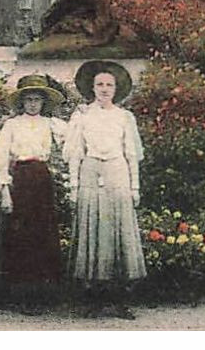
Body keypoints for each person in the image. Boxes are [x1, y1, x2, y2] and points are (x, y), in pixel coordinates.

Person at [65, 60, 146, 317]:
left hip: (117, 172)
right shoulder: (82, 116)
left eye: (109, 85)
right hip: (90, 172)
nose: (104, 89)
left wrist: (135, 187)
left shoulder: (124, 117)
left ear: (116, 88)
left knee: (119, 232)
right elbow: (75, 153)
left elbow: (131, 154)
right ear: (92, 88)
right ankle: (94, 299)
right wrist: (74, 186)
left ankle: (121, 300)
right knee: (93, 233)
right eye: (99, 84)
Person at [0, 74, 68, 304]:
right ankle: (21, 293)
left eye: (37, 99)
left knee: (43, 232)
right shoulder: (12, 125)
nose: (33, 103)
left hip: (42, 179)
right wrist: (5, 189)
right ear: (22, 102)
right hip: (21, 180)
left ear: (44, 102)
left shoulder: (50, 124)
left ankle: (43, 292)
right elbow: (1, 156)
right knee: (21, 234)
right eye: (29, 99)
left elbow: (72, 141)